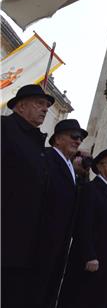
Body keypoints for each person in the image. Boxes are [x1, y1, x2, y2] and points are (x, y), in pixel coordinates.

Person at [1, 84, 53, 308]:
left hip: (24, 242)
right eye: (39, 103)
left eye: (47, 106)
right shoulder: (5, 129)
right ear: (20, 106)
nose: (44, 109)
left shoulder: (37, 142)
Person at [59, 148, 107, 308]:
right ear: (100, 167)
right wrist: (89, 255)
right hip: (92, 261)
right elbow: (84, 224)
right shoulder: (91, 189)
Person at [39, 119, 86, 308]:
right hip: (44, 237)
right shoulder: (48, 158)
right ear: (57, 139)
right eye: (74, 136)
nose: (78, 141)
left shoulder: (71, 167)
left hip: (60, 240)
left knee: (49, 290)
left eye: (80, 138)